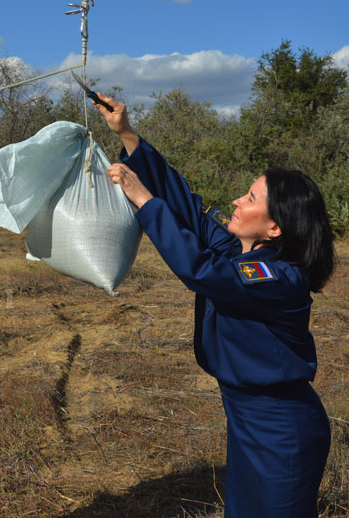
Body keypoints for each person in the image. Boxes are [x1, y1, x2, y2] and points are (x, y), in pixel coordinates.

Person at [94, 93, 334, 517]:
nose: (238, 202)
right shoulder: (239, 250)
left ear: (275, 227)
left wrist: (144, 200)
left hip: (280, 426)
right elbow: (192, 209)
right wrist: (128, 136)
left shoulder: (279, 277)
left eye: (251, 199)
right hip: (245, 417)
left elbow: (200, 270)